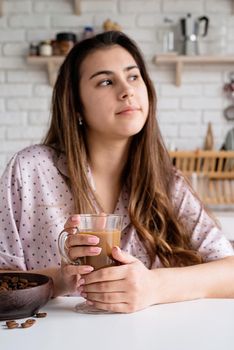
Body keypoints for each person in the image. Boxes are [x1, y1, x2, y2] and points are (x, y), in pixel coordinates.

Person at [0, 31, 234, 313]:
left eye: (133, 77)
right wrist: (60, 280)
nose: (127, 90)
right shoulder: (30, 170)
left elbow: (229, 271)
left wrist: (153, 287)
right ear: (76, 105)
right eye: (106, 81)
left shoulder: (167, 182)